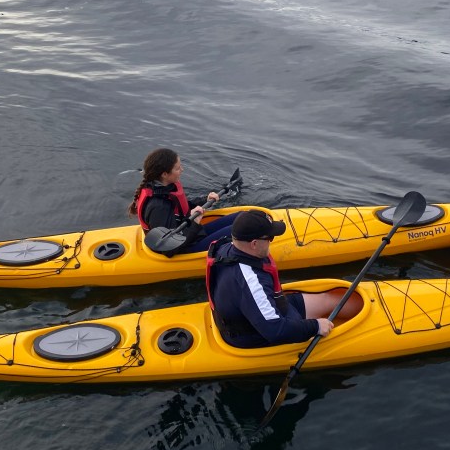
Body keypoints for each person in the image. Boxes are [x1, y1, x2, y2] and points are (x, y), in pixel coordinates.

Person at [206, 209, 361, 348]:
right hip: (254, 335)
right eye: (270, 238)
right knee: (325, 334)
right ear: (254, 244)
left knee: (327, 300)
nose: (271, 242)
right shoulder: (250, 282)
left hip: (263, 312)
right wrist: (316, 326)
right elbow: (276, 331)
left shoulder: (227, 249)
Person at [130, 148, 238, 254]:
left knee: (241, 216)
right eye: (177, 168)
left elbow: (182, 208)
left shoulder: (166, 187)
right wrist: (195, 223)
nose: (182, 170)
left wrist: (205, 200)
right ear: (164, 174)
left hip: (190, 234)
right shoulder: (158, 207)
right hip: (186, 248)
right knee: (241, 229)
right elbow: (169, 249)